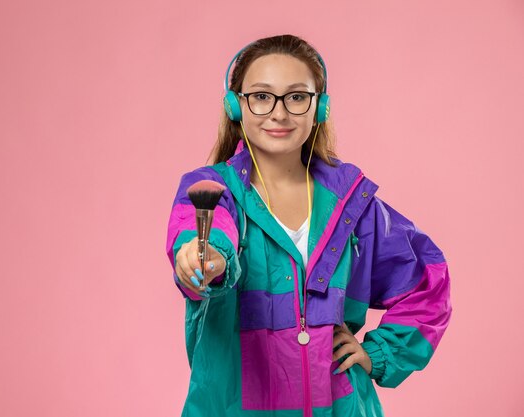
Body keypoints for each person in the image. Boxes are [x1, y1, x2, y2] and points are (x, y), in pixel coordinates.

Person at [165, 34, 452, 417]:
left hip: (343, 406)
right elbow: (203, 232)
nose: (279, 114)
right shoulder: (214, 189)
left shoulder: (351, 205)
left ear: (320, 108)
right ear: (236, 105)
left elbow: (428, 281)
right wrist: (205, 259)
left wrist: (379, 352)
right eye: (262, 96)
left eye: (297, 97)